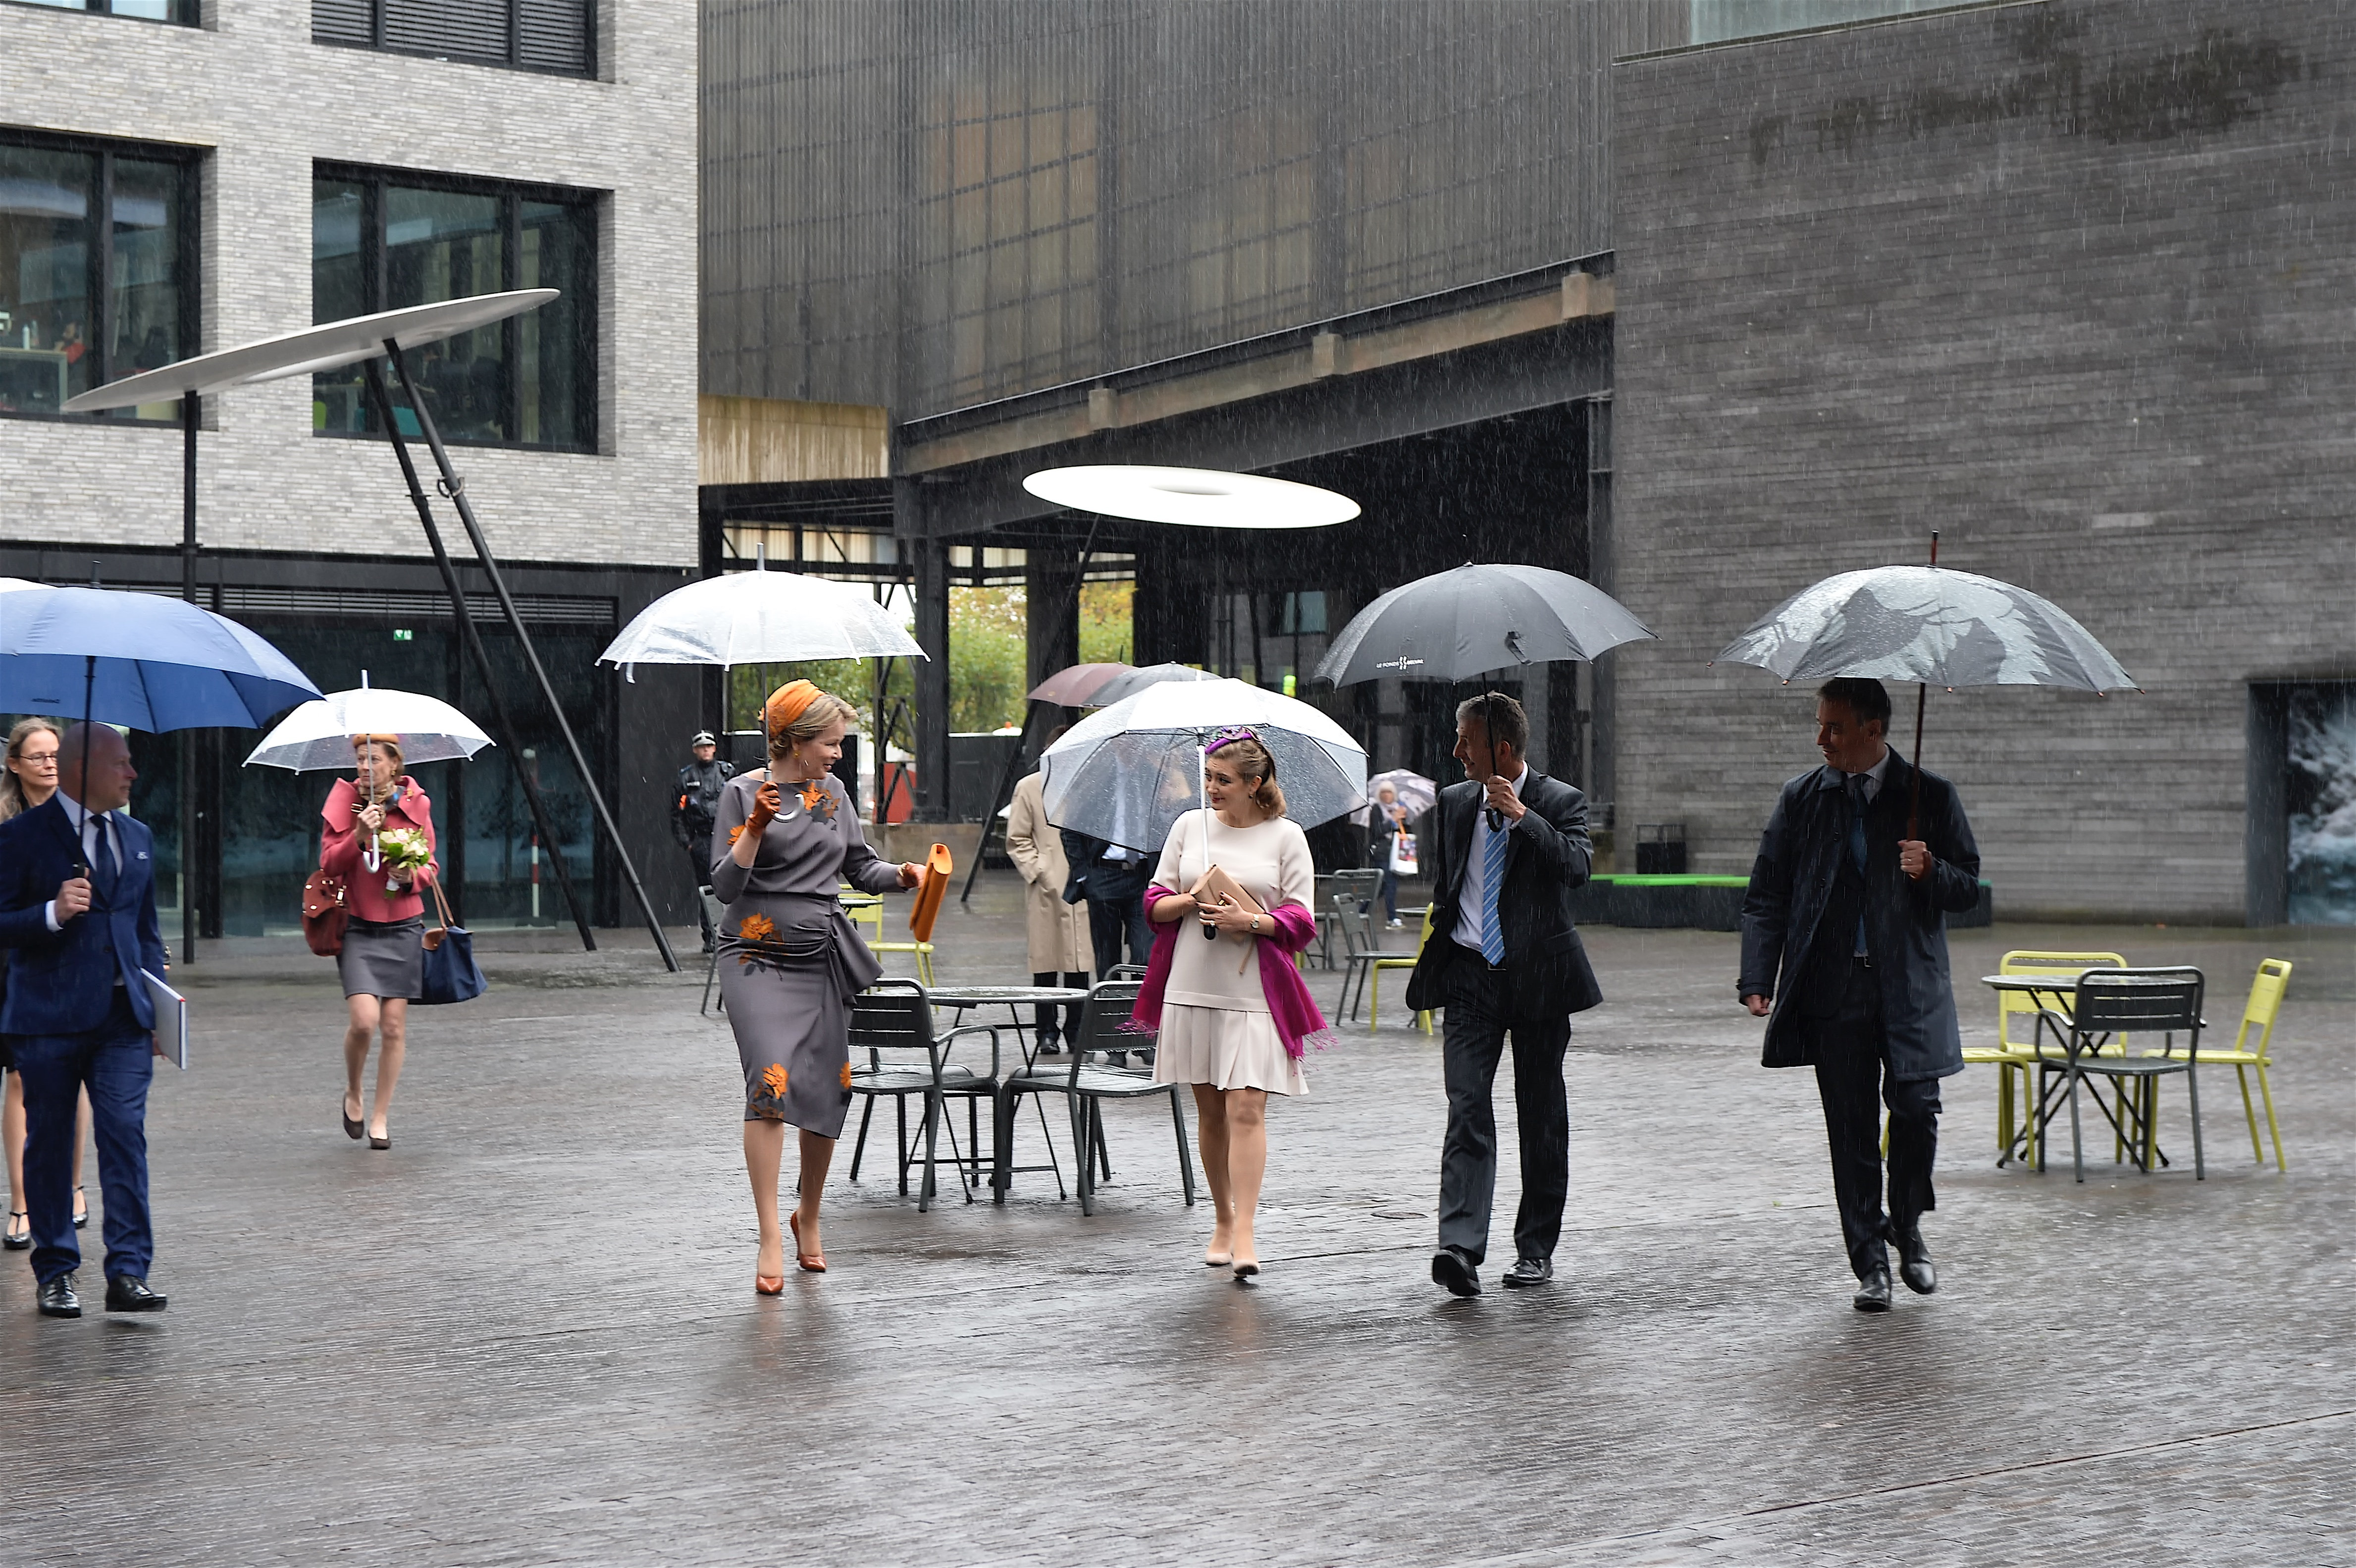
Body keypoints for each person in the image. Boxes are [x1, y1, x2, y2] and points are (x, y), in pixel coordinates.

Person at [1736, 678, 1981, 1311]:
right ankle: (1869, 1262)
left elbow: (1969, 887)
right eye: (1819, 724)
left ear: (1872, 730)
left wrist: (1931, 870)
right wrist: (1757, 976)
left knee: (1916, 1111)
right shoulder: (1801, 799)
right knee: (1849, 1130)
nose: (1820, 738)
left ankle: (1907, 1225)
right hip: (1834, 990)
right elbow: (1767, 894)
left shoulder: (1929, 796)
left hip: (1910, 989)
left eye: (1834, 727)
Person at [711, 680, 923, 1291]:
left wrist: (903, 875)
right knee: (770, 1080)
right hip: (754, 956)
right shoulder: (741, 793)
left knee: (831, 1086)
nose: (837, 753)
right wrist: (755, 827)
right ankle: (769, 1234)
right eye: (830, 743)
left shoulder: (833, 795)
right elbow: (724, 885)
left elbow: (860, 866)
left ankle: (808, 1215)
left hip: (819, 956)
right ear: (796, 742)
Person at [1403, 693, 1601, 1298]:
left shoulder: (1560, 800)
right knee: (1466, 1106)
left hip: (1539, 980)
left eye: (1466, 740)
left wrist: (1522, 816)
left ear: (1503, 748)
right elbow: (1450, 884)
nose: (1455, 750)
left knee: (1541, 1117)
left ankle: (1535, 1250)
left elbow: (1577, 868)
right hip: (1469, 978)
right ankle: (1459, 1248)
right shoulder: (1453, 801)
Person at [1132, 728, 1324, 1281]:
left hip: (1254, 991)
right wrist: (1187, 901)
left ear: (1254, 782)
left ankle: (1246, 1231)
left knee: (1246, 1107)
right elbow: (1153, 904)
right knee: (1211, 1110)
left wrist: (1251, 920)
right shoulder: (1188, 826)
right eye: (1208, 778)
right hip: (1192, 983)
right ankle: (1221, 1218)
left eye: (1223, 780)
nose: (1211, 788)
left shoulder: (1287, 836)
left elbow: (1301, 920)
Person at [0, 723, 169, 1317]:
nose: (132, 773)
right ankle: (55, 1270)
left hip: (123, 1020)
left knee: (124, 1133)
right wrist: (51, 912)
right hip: (47, 1017)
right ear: (84, 769)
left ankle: (129, 1270)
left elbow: (146, 929)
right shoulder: (20, 836)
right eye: (121, 763)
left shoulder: (138, 835)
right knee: (49, 1143)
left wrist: (159, 1007)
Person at [318, 736, 439, 1151]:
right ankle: (353, 1089)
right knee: (364, 1021)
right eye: (360, 759)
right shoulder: (345, 802)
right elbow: (328, 863)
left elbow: (432, 866)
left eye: (373, 759)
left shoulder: (416, 803)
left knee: (393, 1027)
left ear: (394, 764)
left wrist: (412, 876)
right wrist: (357, 834)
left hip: (403, 926)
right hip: (357, 926)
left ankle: (381, 1116)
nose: (365, 766)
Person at [1, 719, 91, 1251]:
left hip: (66, 963)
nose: (50, 764)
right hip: (11, 961)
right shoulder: (7, 825)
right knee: (18, 1078)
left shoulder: (85, 820)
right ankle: (22, 1202)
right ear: (14, 764)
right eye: (37, 756)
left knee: (70, 1074)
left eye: (56, 754)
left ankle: (73, 1186)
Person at [1003, 732, 1089, 1054]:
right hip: (1047, 887)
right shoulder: (1029, 787)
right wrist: (1040, 870)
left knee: (1079, 964)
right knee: (1046, 964)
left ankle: (1077, 1029)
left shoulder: (1087, 786)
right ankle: (1046, 1031)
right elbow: (1018, 839)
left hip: (1082, 884)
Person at [1060, 822, 1153, 979]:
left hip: (1142, 877)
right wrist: (1083, 875)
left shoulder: (1146, 805)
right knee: (1107, 956)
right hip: (1104, 876)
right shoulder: (1094, 804)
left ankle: (1138, 994)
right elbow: (1069, 831)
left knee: (1145, 954)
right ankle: (1111, 994)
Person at [671, 730, 735, 954]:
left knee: (733, 885)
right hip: (702, 838)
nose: (705, 750)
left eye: (709, 746)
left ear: (715, 749)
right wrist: (687, 842)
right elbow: (676, 814)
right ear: (695, 750)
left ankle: (732, 933)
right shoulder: (686, 777)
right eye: (701, 747)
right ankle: (710, 935)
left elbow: (740, 802)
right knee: (708, 889)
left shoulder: (727, 773)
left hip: (728, 838)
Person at [1367, 781, 1411, 927]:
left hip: (1396, 852)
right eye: (1383, 792)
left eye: (1389, 792)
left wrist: (1402, 819)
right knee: (1390, 883)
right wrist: (1393, 820)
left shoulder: (1398, 808)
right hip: (1382, 852)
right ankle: (1392, 917)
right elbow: (1377, 831)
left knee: (1381, 886)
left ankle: (1362, 910)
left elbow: (1405, 831)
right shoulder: (1376, 809)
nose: (1387, 795)